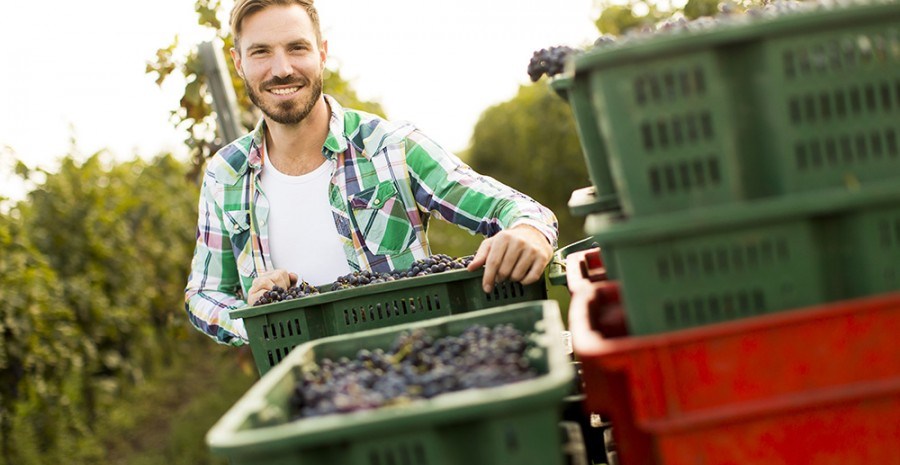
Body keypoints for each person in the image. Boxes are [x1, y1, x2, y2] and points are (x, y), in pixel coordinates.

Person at [184, 0, 559, 345]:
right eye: (261, 52)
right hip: (309, 391)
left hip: (414, 363)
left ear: (322, 53)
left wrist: (528, 231)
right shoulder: (225, 176)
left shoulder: (391, 147)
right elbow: (203, 293)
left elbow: (517, 210)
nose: (282, 69)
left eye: (297, 48)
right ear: (238, 63)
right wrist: (252, 317)